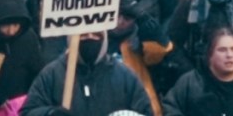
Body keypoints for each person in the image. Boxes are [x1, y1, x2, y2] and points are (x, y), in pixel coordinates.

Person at [21, 31, 153, 116]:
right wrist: (50, 113)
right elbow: (28, 112)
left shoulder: (125, 76)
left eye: (96, 35)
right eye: (83, 35)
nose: (90, 38)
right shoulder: (52, 74)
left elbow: (144, 111)